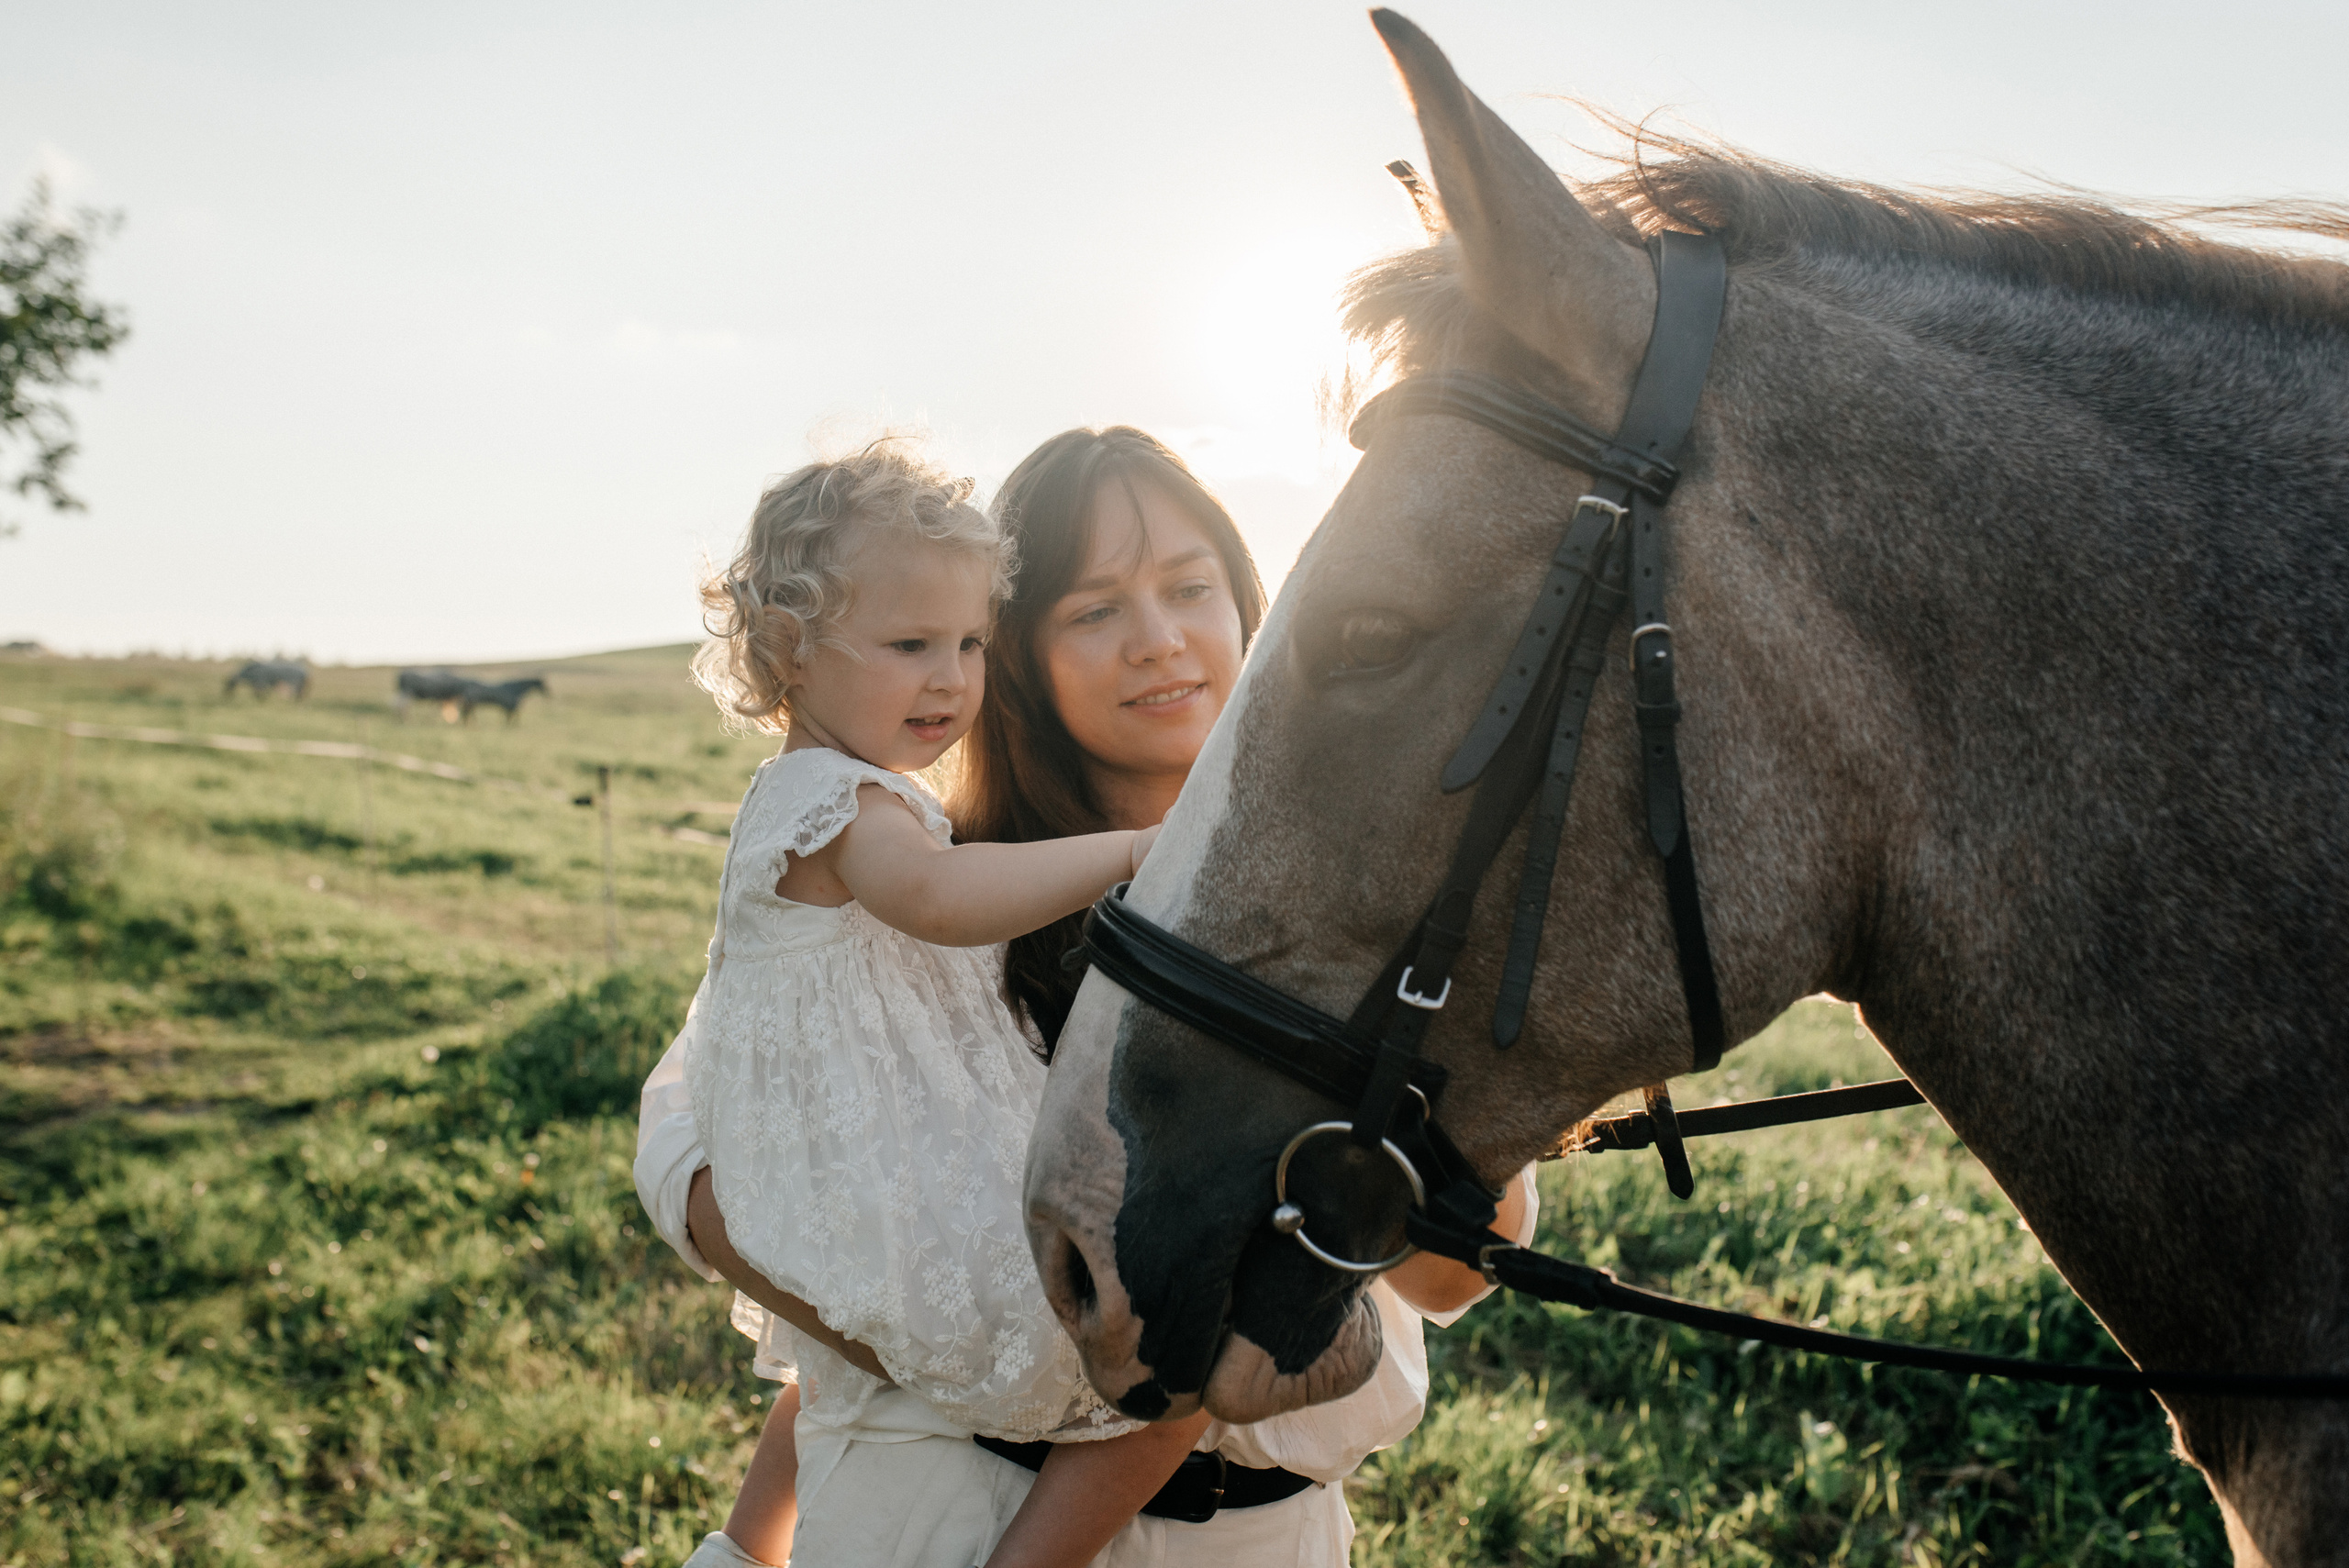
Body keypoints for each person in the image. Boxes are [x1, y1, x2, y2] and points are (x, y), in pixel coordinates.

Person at [637, 429, 1537, 1567]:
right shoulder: (934, 887)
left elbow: (1455, 1271)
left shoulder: (1379, 905)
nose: (1158, 640)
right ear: (1023, 656)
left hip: (1256, 1540)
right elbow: (708, 1163)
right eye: (1095, 608)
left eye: (1189, 587)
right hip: (940, 1510)